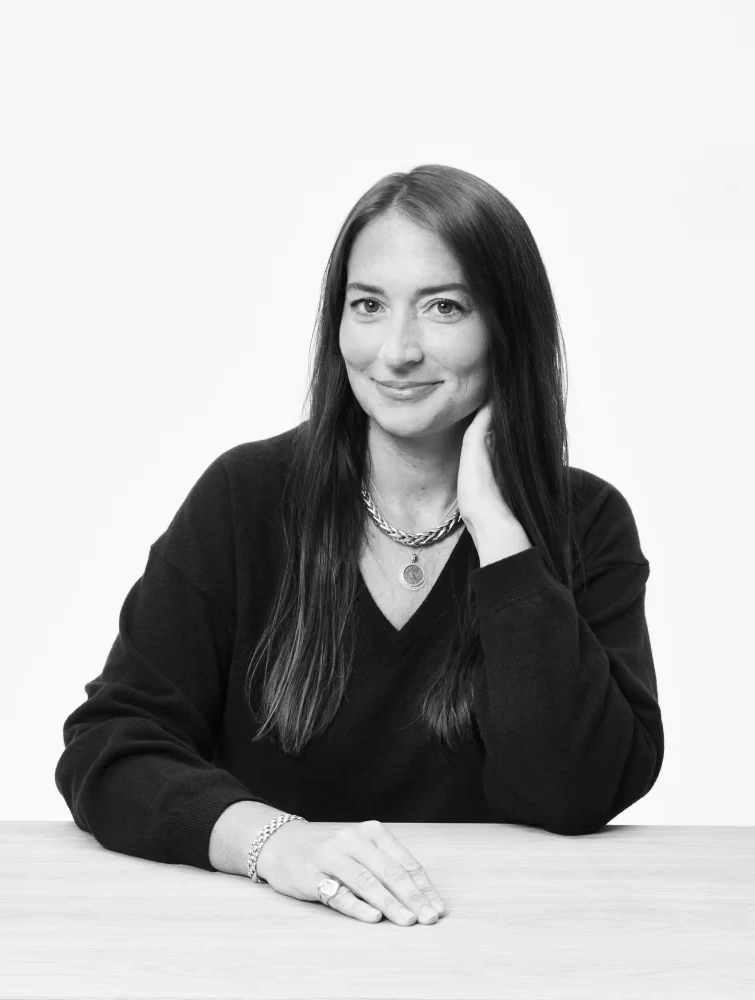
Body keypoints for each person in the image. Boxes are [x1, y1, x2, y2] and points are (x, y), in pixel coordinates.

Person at [55, 163, 664, 928]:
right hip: (268, 941)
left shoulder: (586, 522)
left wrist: (499, 533)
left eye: (444, 307)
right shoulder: (246, 497)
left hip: (497, 944)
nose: (397, 350)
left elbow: (579, 791)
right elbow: (111, 746)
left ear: (507, 326)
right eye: (368, 305)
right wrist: (276, 845)